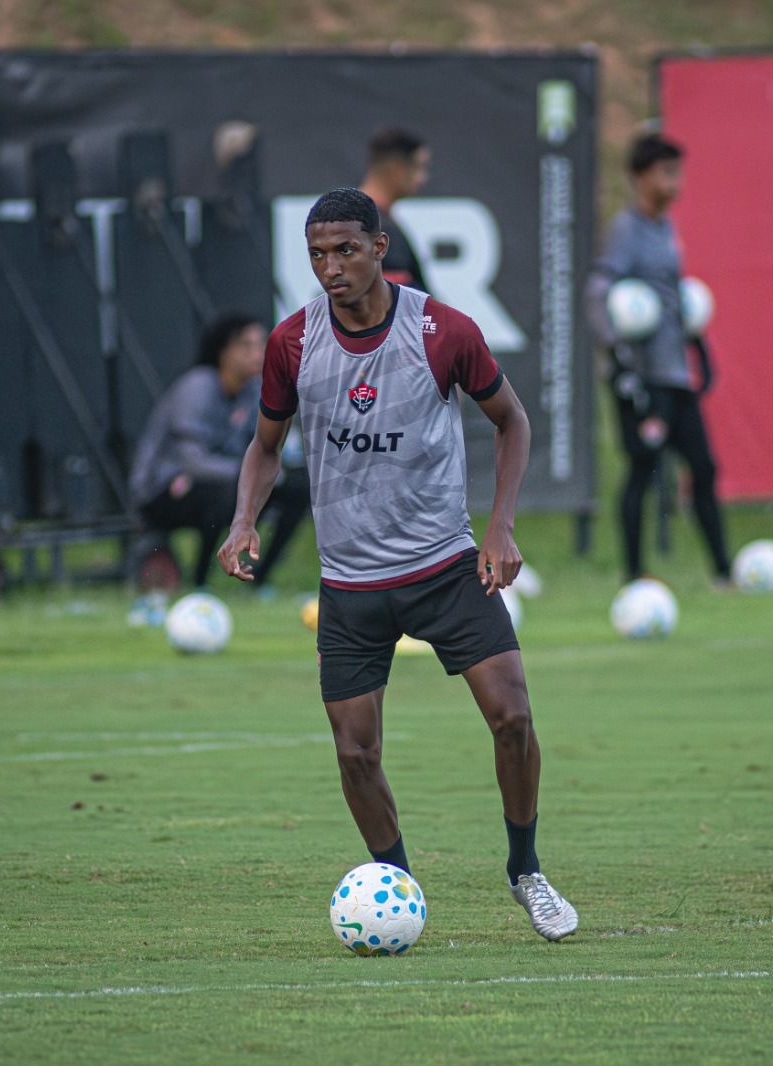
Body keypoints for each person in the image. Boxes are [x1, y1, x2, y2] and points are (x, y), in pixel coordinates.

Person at [218, 188, 577, 942]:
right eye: (317, 254)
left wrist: (501, 527)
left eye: (346, 249)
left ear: (380, 247)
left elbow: (512, 421)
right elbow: (265, 444)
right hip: (349, 585)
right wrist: (244, 518)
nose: (330, 267)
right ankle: (397, 888)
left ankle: (526, 871)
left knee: (512, 714)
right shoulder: (292, 342)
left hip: (445, 567)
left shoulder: (442, 331)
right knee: (355, 754)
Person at [587, 132, 734, 588]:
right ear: (639, 177)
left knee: (704, 467)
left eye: (678, 171)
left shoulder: (666, 230)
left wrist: (700, 348)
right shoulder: (626, 231)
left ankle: (723, 573)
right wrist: (617, 353)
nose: (675, 181)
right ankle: (634, 574)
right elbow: (598, 294)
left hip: (674, 372)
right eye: (666, 171)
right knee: (642, 469)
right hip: (640, 377)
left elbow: (675, 299)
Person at [129, 313, 309, 590]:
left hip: (217, 480)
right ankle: (199, 583)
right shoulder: (198, 386)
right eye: (247, 346)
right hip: (166, 488)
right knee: (226, 493)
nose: (257, 353)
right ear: (224, 352)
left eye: (260, 344)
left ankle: (259, 580)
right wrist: (244, 473)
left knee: (299, 487)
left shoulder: (252, 390)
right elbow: (192, 462)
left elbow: (263, 446)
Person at [359, 126, 430, 291]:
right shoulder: (375, 228)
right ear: (396, 168)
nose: (423, 179)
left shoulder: (366, 220)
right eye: (419, 167)